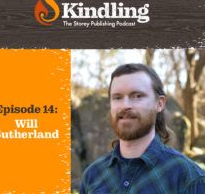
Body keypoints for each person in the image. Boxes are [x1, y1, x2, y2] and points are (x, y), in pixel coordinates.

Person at [80, 63, 205, 194]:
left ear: (159, 104)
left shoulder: (189, 178)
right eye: (117, 97)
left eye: (137, 96)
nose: (125, 105)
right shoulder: (92, 175)